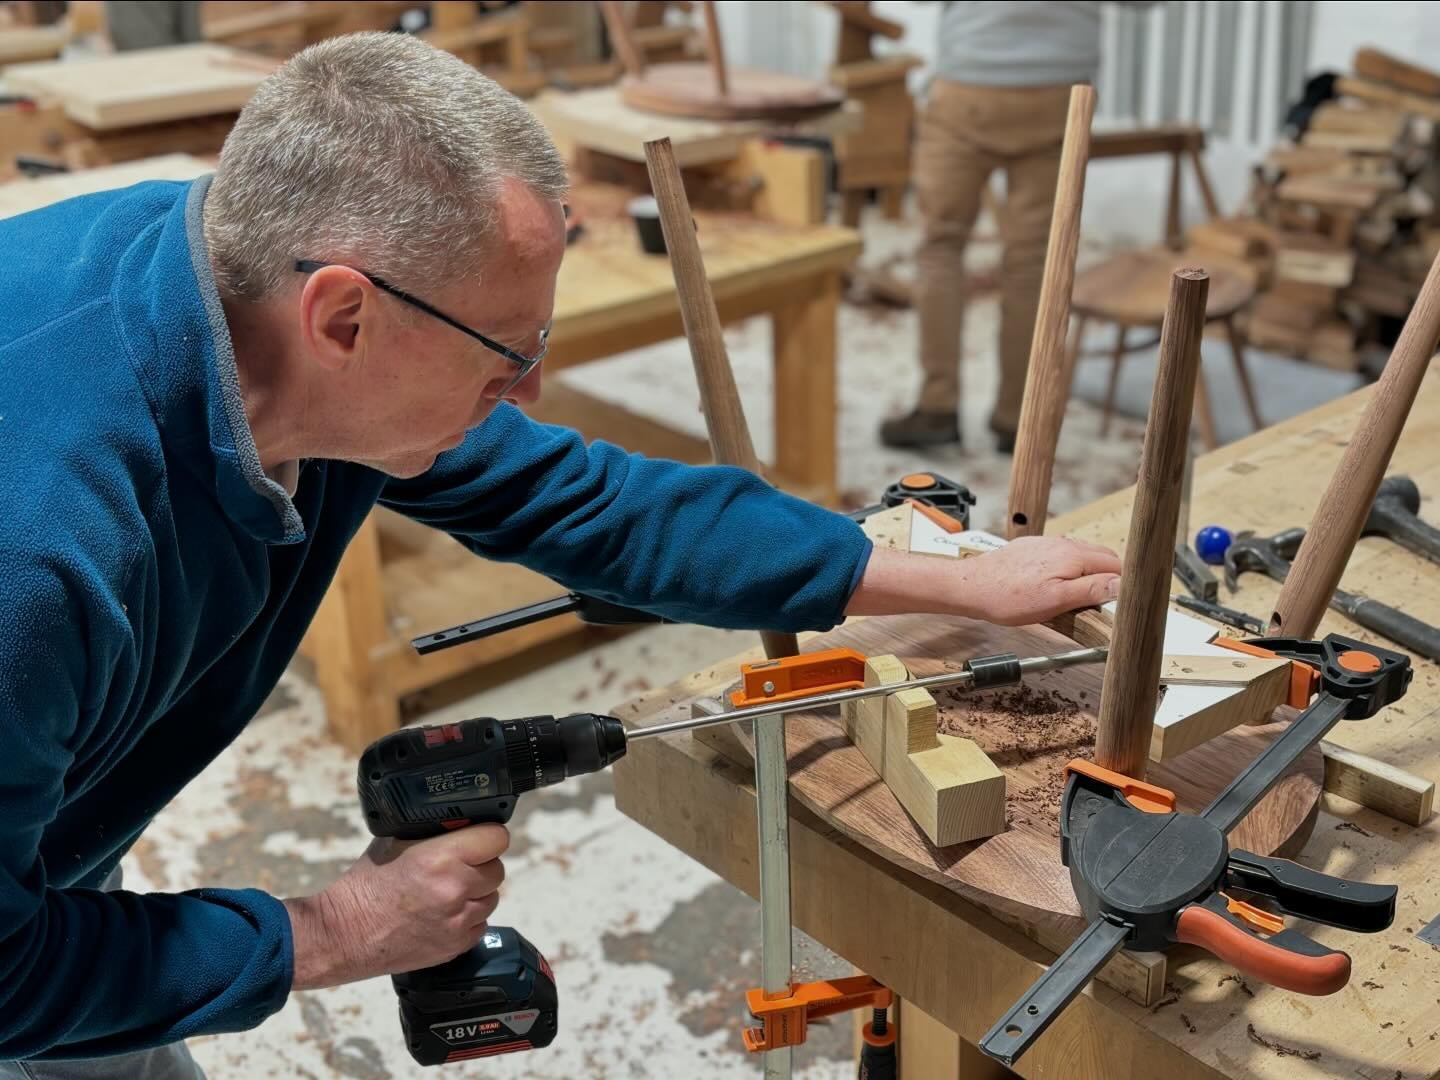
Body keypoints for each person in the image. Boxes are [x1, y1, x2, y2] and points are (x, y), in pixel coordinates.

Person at [0, 32, 1121, 1076]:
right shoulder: (40, 553)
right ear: (344, 319)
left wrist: (955, 581)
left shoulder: (247, 287)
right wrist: (334, 932)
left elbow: (589, 502)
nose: (527, 391)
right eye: (505, 351)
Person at [879, 0, 1148, 453]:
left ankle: (938, 404)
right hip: (1059, 93)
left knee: (941, 247)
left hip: (970, 84)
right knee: (1032, 263)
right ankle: (1016, 418)